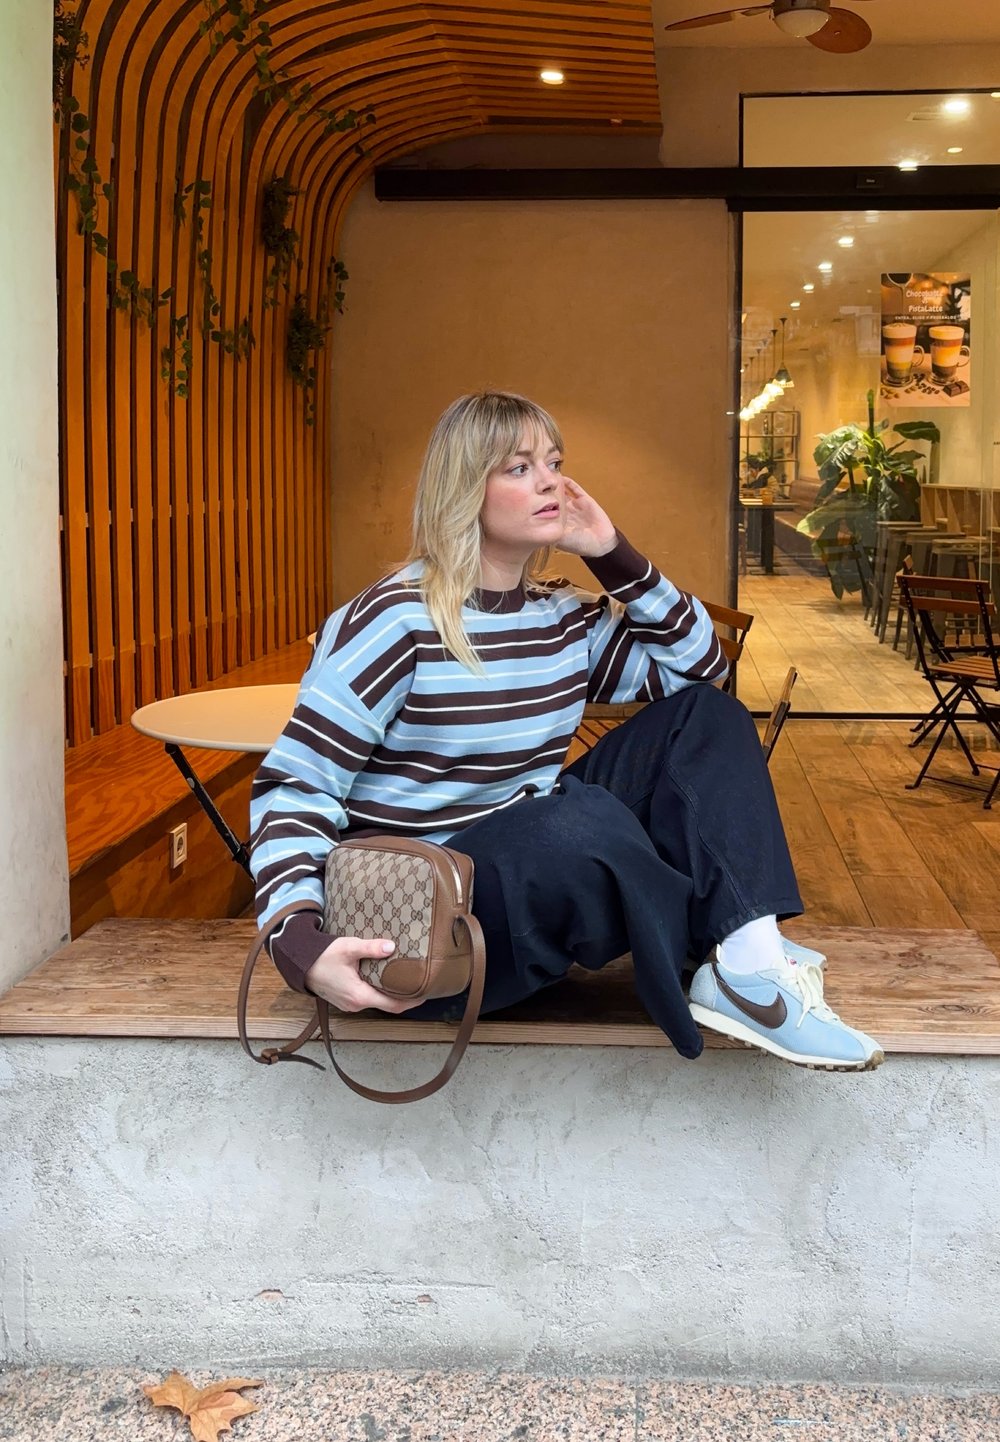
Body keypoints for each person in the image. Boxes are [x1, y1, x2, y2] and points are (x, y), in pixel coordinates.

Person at [250, 391, 882, 1071]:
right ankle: (715, 945)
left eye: (553, 461)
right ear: (465, 488)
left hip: (530, 870)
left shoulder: (561, 617)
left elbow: (702, 669)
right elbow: (294, 786)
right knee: (576, 823)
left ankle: (751, 966)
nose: (552, 480)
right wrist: (300, 946)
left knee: (705, 718)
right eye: (519, 468)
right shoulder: (393, 621)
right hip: (427, 926)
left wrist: (612, 552)